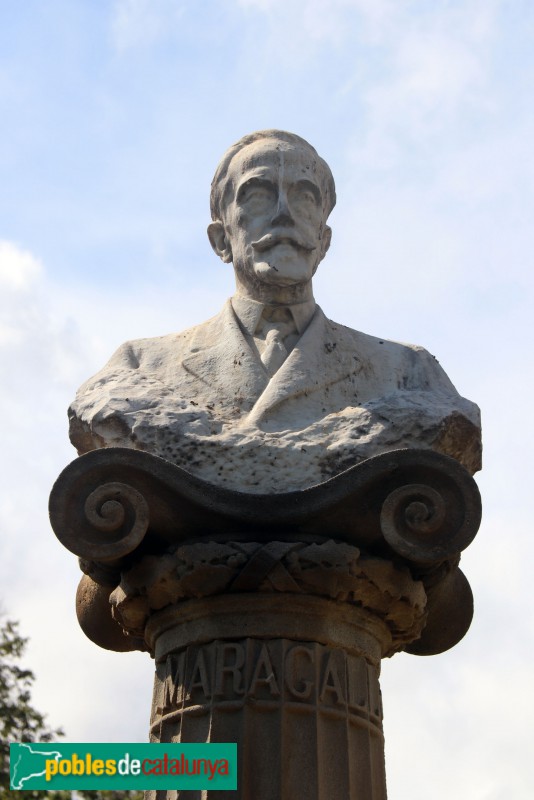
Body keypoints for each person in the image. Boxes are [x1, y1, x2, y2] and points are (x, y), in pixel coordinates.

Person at [69, 130, 481, 493]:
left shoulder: (408, 373)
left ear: (324, 240)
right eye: (259, 194)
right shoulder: (141, 368)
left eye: (305, 197)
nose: (285, 213)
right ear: (220, 239)